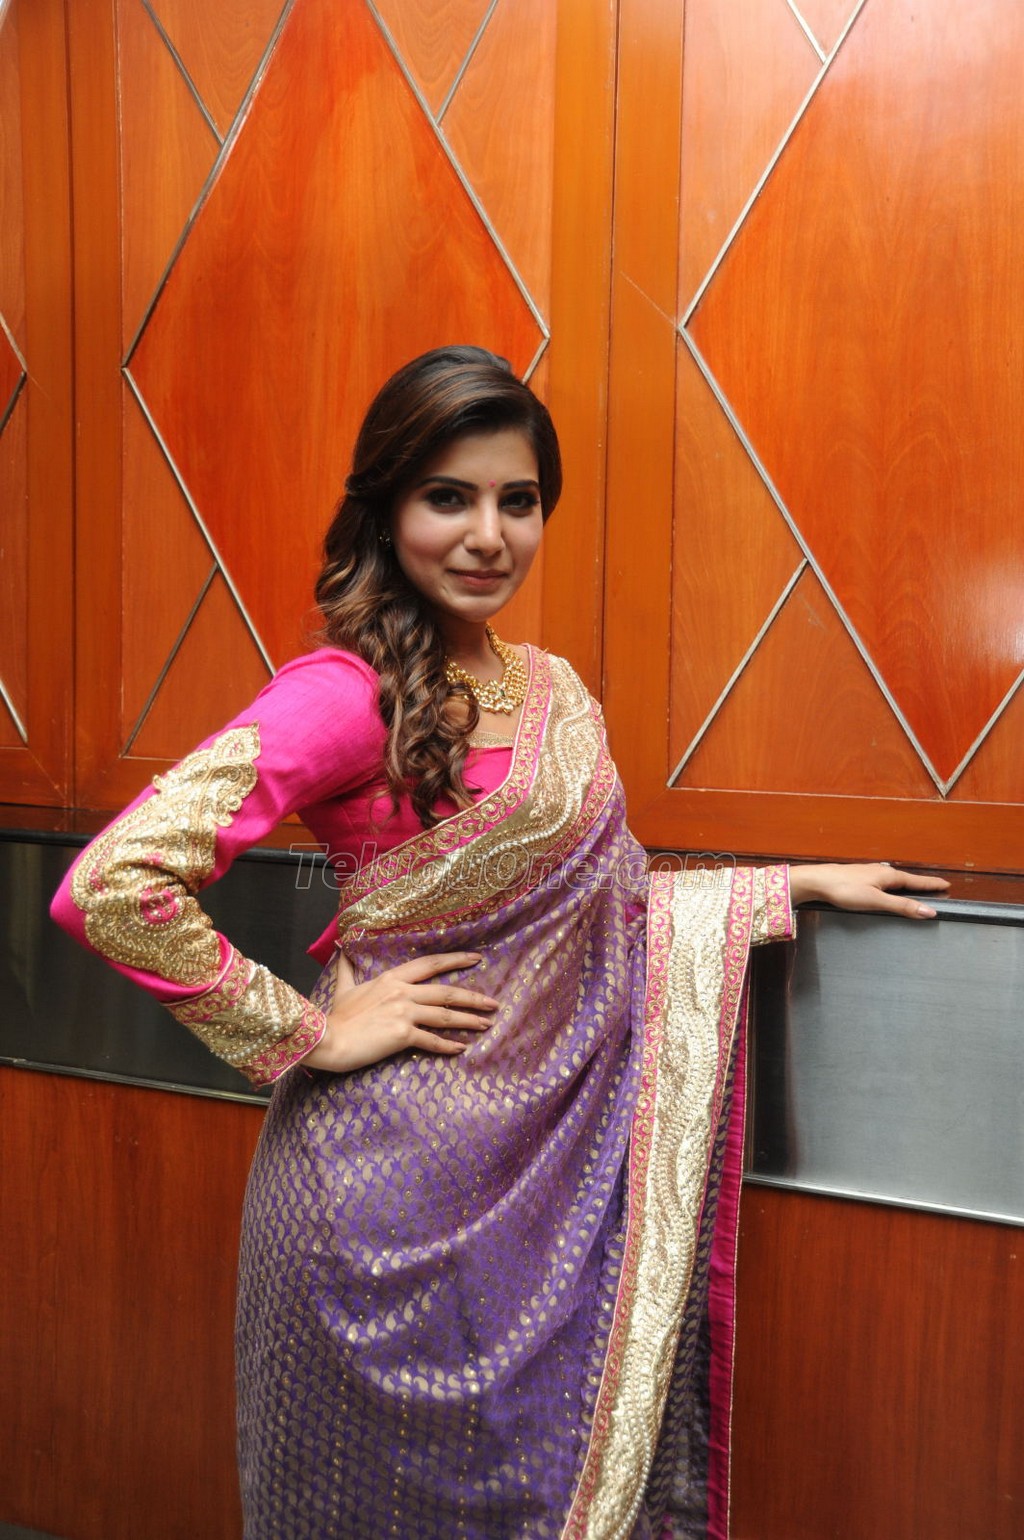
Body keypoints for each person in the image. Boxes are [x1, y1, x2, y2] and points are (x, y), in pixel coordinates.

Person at [50, 346, 948, 1540]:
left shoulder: (552, 691)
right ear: (387, 509)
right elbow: (113, 883)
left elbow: (606, 907)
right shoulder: (344, 693)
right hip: (375, 1211)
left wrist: (788, 884)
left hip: (543, 1199)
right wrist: (310, 1032)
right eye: (448, 497)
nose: (487, 536)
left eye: (516, 500)